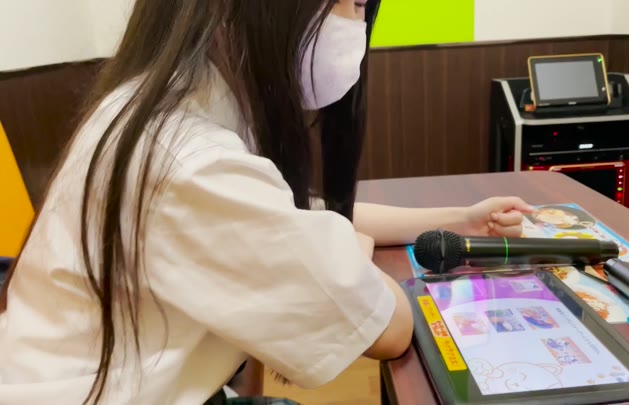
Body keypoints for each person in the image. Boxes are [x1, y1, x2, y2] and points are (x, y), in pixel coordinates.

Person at [0, 1, 533, 404]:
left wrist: (461, 219)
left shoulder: (162, 110)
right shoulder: (190, 163)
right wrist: (342, 246)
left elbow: (312, 214)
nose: (358, 25)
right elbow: (388, 327)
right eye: (351, 5)